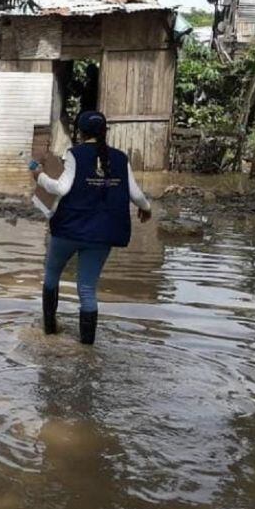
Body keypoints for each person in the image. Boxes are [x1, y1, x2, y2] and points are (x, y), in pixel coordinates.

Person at [30, 111, 151, 345]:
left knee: (52, 276)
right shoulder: (120, 158)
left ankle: (49, 331)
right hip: (102, 235)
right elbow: (136, 194)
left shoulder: (75, 154)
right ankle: (87, 348)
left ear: (80, 132)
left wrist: (40, 176)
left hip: (69, 230)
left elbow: (61, 188)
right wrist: (146, 209)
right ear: (105, 132)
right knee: (87, 289)